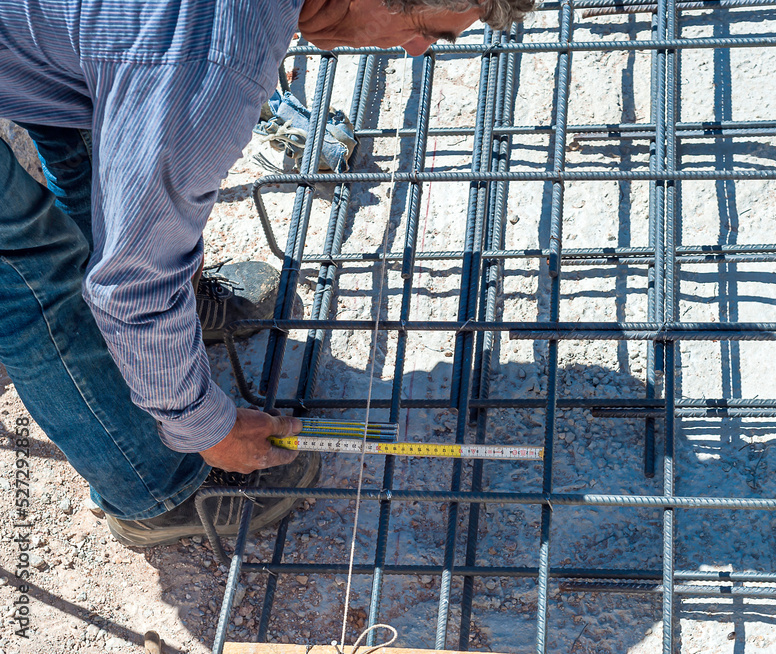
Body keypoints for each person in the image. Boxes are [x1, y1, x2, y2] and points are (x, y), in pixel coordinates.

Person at [0, 0, 533, 547]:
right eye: (423, 29)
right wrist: (207, 427)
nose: (417, 49)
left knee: (94, 117)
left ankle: (149, 343)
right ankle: (153, 489)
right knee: (32, 275)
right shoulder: (213, 62)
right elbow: (131, 287)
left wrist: (154, 257)